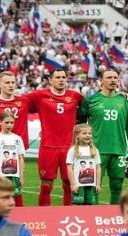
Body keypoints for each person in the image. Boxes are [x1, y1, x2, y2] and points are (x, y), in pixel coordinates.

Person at [27, 69, 85, 206]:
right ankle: (44, 214)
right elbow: (17, 101)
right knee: (46, 184)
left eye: (63, 77)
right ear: (50, 80)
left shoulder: (75, 96)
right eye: (58, 77)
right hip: (48, 146)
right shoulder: (39, 95)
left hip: (69, 147)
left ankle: (68, 213)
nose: (61, 80)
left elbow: (92, 104)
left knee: (69, 183)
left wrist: (119, 94)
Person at [78, 69, 128, 205]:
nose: (113, 80)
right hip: (96, 150)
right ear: (101, 81)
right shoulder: (90, 101)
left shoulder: (125, 100)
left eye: (115, 77)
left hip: (119, 150)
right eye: (109, 77)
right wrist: (80, 146)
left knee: (117, 186)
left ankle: (115, 214)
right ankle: (93, 215)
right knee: (93, 186)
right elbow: (80, 125)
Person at [0, 111, 25, 206]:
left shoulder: (18, 139)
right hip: (0, 175)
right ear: (0, 122)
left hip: (14, 175)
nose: (9, 125)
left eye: (12, 122)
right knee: (0, 198)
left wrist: (21, 176)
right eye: (7, 122)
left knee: (12, 199)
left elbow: (21, 158)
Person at [66, 124, 101, 205]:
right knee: (77, 205)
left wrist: (98, 184)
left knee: (90, 206)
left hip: (91, 185)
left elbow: (98, 167)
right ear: (77, 135)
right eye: (84, 133)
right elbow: (69, 168)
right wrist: (73, 184)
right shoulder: (72, 150)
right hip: (78, 185)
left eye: (89, 133)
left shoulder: (95, 150)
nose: (88, 135)